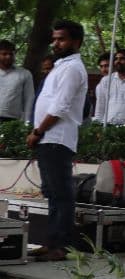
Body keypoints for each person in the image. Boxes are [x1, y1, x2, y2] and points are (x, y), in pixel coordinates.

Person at [26, 21, 88, 262]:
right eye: (54, 39)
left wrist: (38, 131)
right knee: (52, 192)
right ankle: (51, 241)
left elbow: (60, 106)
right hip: (48, 138)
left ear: (76, 41)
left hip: (56, 138)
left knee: (61, 193)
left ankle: (60, 246)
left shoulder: (72, 69)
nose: (56, 43)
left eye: (61, 39)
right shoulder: (61, 66)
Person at [0, 39, 35, 124]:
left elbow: (29, 99)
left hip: (12, 121)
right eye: (4, 54)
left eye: (11, 54)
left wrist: (26, 123)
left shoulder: (24, 74)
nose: (8, 56)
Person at [85, 53, 109, 121]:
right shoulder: (100, 86)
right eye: (101, 66)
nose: (104, 69)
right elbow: (100, 108)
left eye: (106, 66)